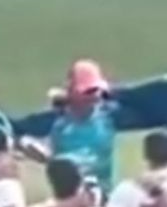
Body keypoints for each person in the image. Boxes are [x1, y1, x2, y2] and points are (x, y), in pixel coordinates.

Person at [11, 60, 143, 198]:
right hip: (67, 201)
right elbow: (13, 132)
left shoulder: (110, 114)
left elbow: (145, 106)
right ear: (72, 91)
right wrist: (32, 149)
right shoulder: (54, 120)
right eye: (88, 92)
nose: (94, 96)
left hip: (104, 198)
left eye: (96, 90)